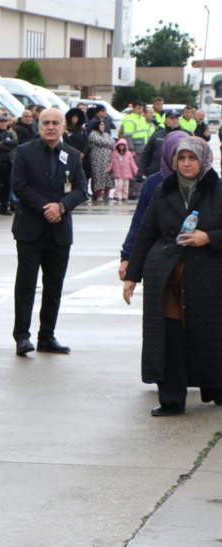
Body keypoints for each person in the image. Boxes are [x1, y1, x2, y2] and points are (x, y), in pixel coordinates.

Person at [123, 136, 222, 416]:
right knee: (170, 336)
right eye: (181, 158)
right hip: (166, 276)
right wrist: (132, 276)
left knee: (207, 334)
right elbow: (145, 233)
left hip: (207, 279)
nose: (186, 164)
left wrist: (209, 238)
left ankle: (214, 386)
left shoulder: (217, 190)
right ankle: (171, 399)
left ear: (204, 160)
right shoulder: (164, 190)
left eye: (192, 158)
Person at [11, 108, 88, 356]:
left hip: (59, 232)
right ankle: (22, 336)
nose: (51, 127)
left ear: (64, 126)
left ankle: (47, 336)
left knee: (54, 286)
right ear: (39, 126)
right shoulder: (24, 152)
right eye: (46, 123)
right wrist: (46, 208)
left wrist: (61, 207)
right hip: (30, 229)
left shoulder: (72, 155)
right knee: (26, 285)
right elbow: (19, 186)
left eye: (56, 122)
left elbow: (81, 189)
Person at [118, 130, 190, 281]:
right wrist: (127, 256)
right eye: (176, 154)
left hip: (194, 260)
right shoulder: (153, 183)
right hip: (158, 259)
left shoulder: (203, 183)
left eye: (188, 155)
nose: (183, 161)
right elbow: (140, 223)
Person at [88, 118, 114, 200]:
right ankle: (98, 194)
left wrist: (108, 143)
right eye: (101, 125)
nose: (103, 126)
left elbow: (113, 142)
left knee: (108, 176)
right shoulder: (93, 134)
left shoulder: (106, 134)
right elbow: (100, 141)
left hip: (108, 159)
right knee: (98, 175)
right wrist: (108, 143)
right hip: (97, 160)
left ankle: (106, 194)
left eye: (103, 125)